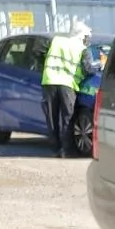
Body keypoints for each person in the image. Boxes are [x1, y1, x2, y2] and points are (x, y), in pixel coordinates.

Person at [41, 21, 95, 157]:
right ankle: (67, 150)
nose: (87, 40)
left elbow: (39, 51)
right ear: (82, 36)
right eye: (86, 37)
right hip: (67, 84)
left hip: (49, 81)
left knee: (52, 117)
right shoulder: (82, 49)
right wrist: (97, 69)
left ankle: (55, 148)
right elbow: (88, 69)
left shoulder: (56, 41)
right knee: (67, 117)